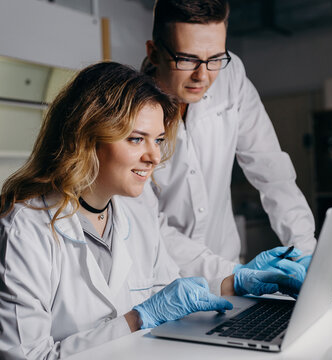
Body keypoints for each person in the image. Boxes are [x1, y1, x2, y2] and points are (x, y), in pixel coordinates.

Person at [0, 62, 303, 359]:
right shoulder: (19, 234)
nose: (154, 156)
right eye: (136, 139)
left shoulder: (135, 216)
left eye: (157, 139)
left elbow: (173, 298)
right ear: (86, 137)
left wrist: (235, 282)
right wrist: (137, 319)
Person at [133, 0, 317, 279]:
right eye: (187, 59)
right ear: (154, 52)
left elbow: (270, 169)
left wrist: (306, 252)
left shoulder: (231, 76)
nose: (203, 76)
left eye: (216, 58)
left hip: (228, 265)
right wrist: (234, 277)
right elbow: (148, 223)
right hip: (165, 280)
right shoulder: (128, 115)